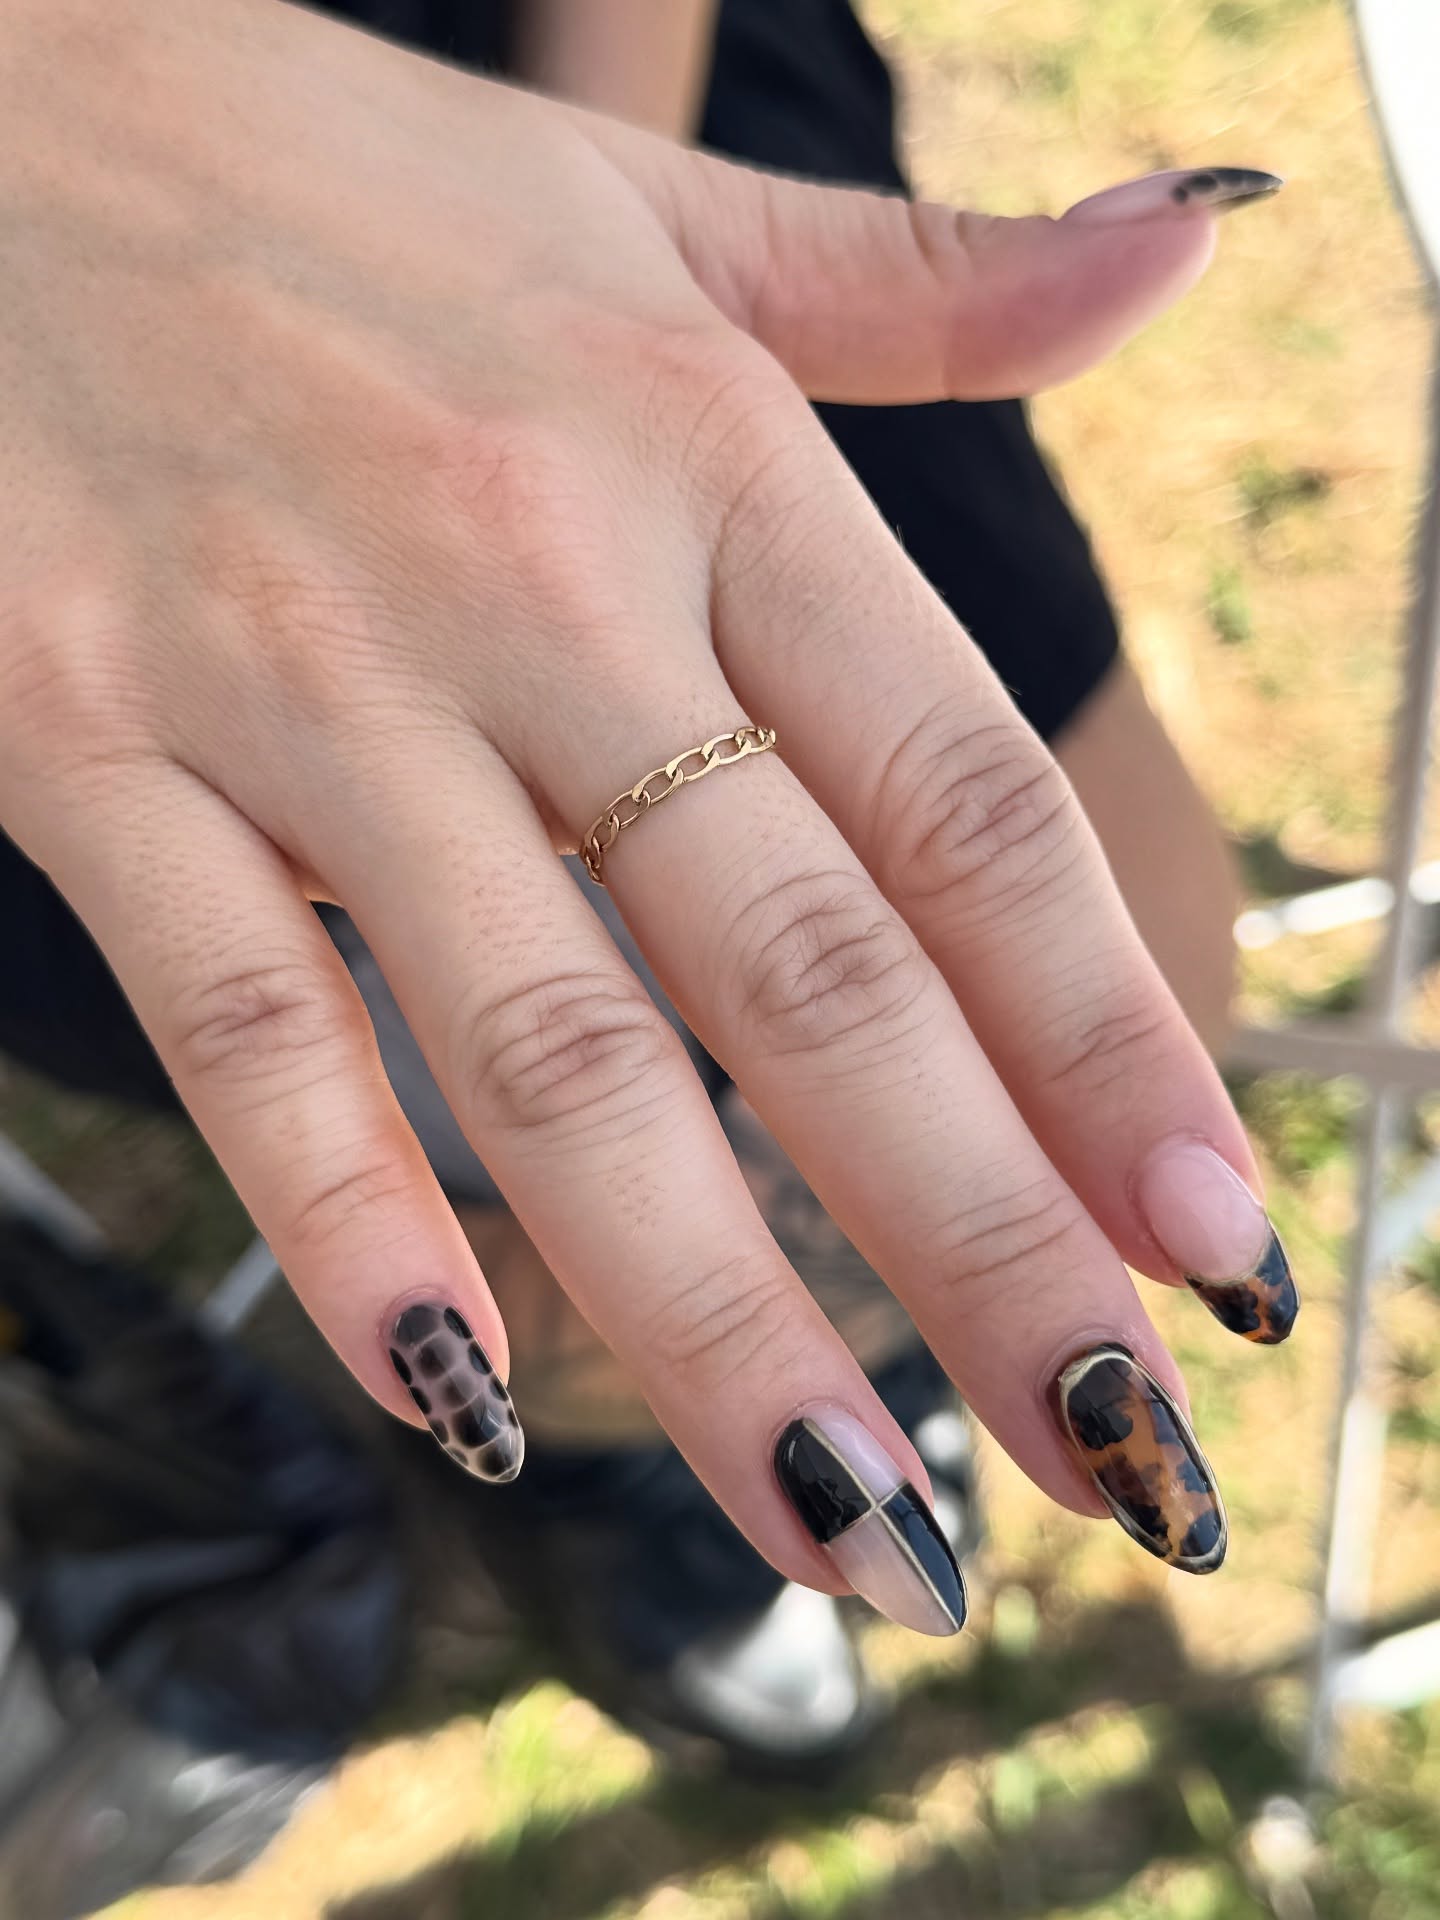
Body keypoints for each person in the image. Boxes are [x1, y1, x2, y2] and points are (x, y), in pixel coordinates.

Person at [0, 0, 1296, 1770]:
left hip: (529, 136)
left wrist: (521, 260)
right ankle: (627, 1436)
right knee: (297, 1043)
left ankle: (776, 1353)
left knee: (1113, 955)